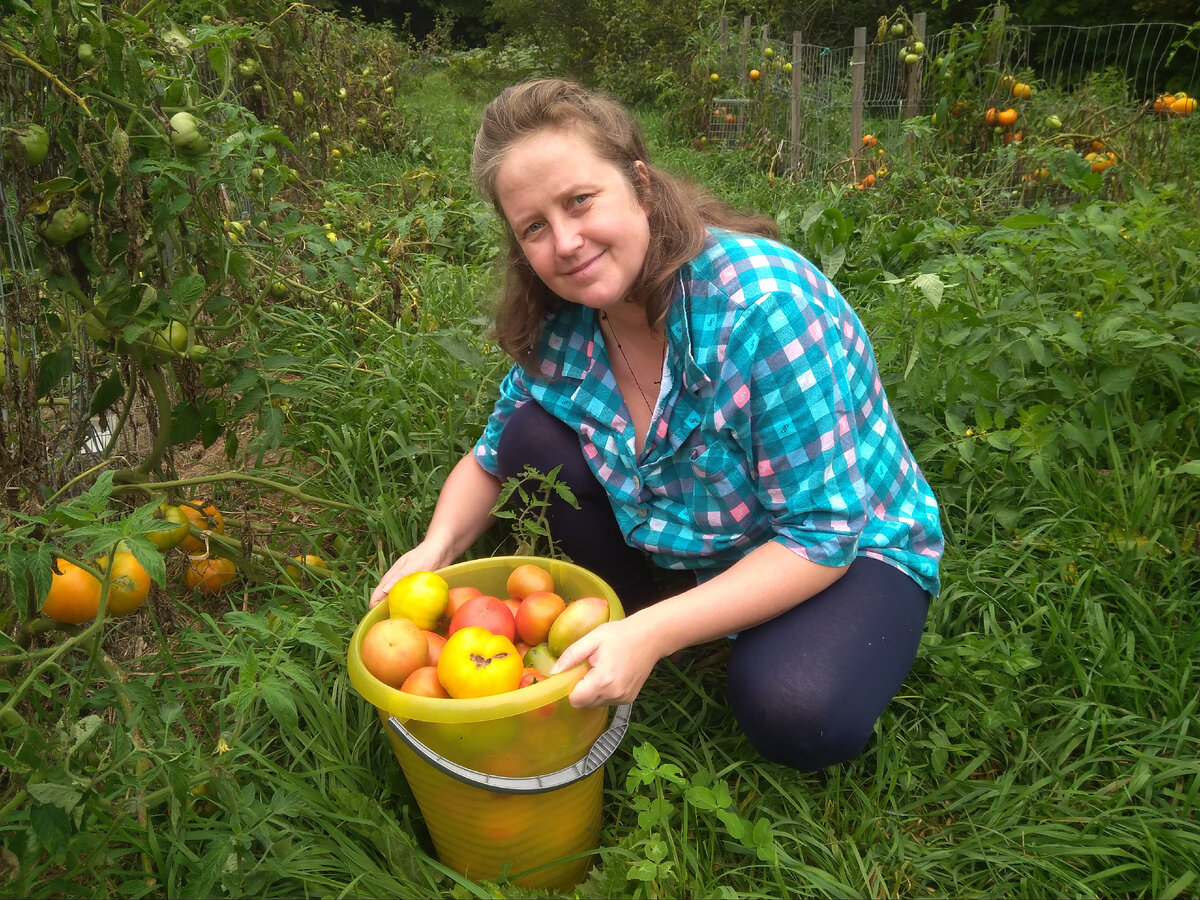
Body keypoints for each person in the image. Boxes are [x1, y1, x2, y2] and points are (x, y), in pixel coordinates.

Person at [369, 78, 943, 772]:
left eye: (579, 201)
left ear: (639, 184)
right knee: (529, 434)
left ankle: (661, 624)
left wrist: (654, 634)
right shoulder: (567, 322)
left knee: (798, 710)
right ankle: (653, 611)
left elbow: (822, 534)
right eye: (535, 228)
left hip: (840, 547)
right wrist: (433, 551)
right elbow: (491, 458)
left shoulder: (763, 309)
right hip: (695, 533)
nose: (567, 243)